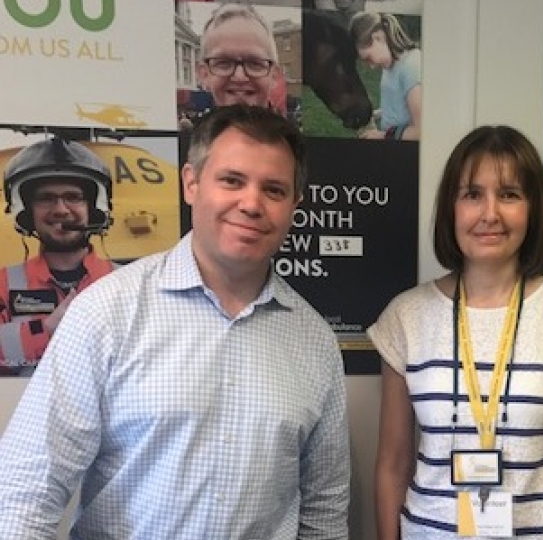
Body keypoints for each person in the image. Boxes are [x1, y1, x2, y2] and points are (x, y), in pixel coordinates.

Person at [0, 104, 350, 539]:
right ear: (191, 183)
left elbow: (324, 508)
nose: (252, 204)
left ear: (294, 205)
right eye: (232, 181)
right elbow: (29, 486)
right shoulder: (107, 311)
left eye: (274, 190)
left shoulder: (314, 340)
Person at [368, 126, 543, 539]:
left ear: (533, 208)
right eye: (472, 194)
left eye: (509, 194)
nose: (490, 214)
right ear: (451, 208)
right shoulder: (406, 317)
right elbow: (392, 466)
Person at [1, 137, 116, 377]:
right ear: (26, 212)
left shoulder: (129, 283)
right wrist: (46, 330)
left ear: (93, 208)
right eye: (46, 198)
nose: (61, 210)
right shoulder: (3, 284)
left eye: (73, 197)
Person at [197, 2, 287, 115]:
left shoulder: (290, 133)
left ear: (274, 75)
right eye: (224, 63)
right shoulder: (194, 132)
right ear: (204, 74)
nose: (239, 77)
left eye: (254, 63)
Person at [349, 12, 421, 141]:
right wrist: (375, 115)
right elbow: (400, 106)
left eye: (368, 58)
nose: (371, 67)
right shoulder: (389, 66)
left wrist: (382, 136)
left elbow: (420, 130)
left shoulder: (411, 66)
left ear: (378, 38)